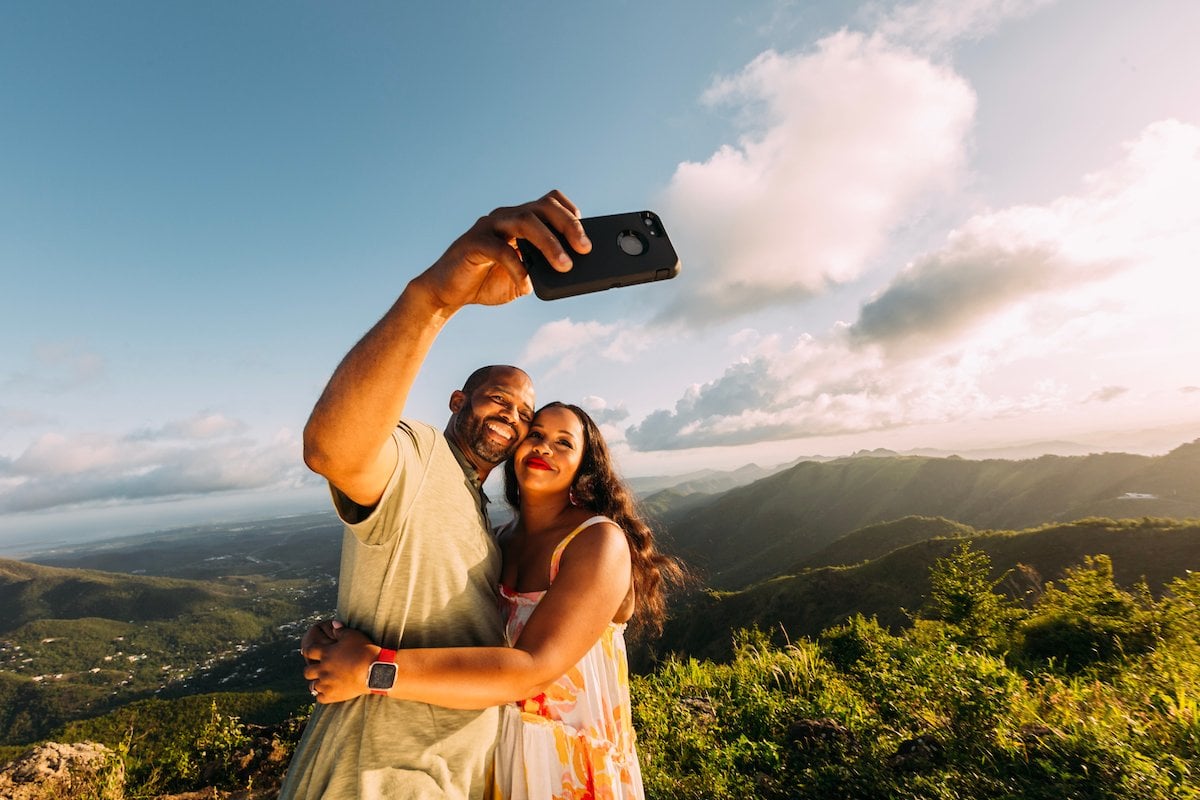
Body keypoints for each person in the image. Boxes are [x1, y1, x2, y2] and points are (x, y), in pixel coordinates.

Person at [279, 190, 592, 800]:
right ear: (459, 402)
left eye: (525, 412)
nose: (514, 417)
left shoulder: (491, 520)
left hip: (450, 773)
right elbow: (333, 450)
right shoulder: (420, 456)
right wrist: (433, 301)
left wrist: (331, 633)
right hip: (380, 774)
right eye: (498, 398)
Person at [303, 401, 684, 800]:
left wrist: (369, 668)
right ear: (515, 448)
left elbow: (534, 670)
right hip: (493, 756)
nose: (543, 448)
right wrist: (332, 638)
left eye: (563, 442)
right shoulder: (497, 541)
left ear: (583, 467)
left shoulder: (598, 540)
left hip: (570, 761)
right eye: (535, 435)